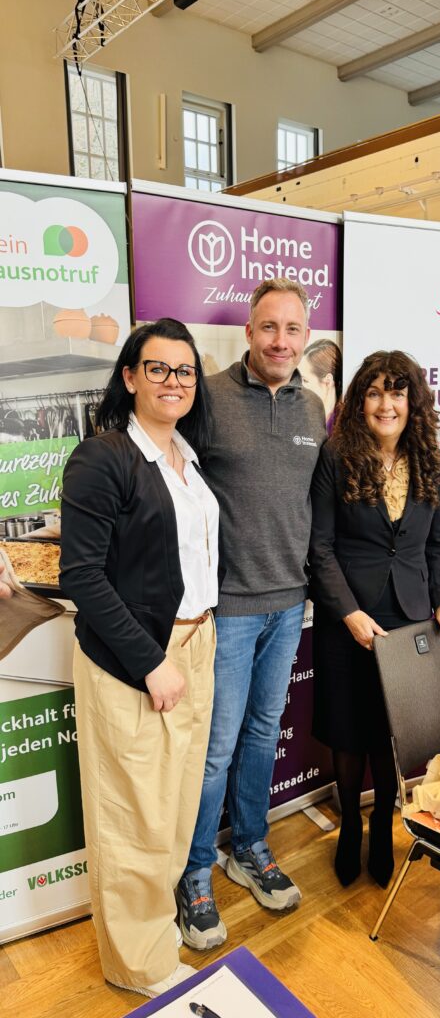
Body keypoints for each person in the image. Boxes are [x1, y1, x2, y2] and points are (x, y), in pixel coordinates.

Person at [59, 319, 218, 997]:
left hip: (197, 642)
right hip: (136, 659)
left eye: (184, 371)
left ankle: (157, 928)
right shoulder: (104, 458)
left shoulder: (187, 452)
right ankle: (140, 965)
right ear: (129, 377)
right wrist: (150, 664)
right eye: (158, 369)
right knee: (134, 816)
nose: (173, 382)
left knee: (175, 805)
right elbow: (82, 576)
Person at [177, 278, 327, 950]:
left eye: (293, 330)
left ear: (304, 336)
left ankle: (250, 848)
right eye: (269, 328)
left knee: (263, 733)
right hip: (227, 607)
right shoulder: (207, 397)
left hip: (287, 603)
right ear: (248, 332)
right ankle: (193, 873)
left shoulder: (313, 408)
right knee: (216, 749)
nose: (281, 341)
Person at [308, 350, 440, 887]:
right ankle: (350, 821)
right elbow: (320, 548)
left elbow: (436, 545)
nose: (386, 404)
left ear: (412, 402)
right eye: (374, 392)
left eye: (397, 393)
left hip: (410, 615)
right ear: (360, 401)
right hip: (350, 615)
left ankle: (381, 821)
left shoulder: (432, 462)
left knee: (390, 731)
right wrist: (348, 612)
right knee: (351, 730)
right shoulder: (336, 456)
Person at [300, 338, 342, 432]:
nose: (299, 387)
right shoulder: (303, 418)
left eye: (305, 380)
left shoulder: (346, 427)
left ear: (328, 382)